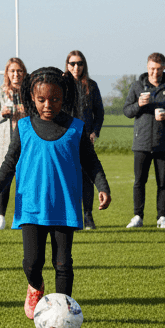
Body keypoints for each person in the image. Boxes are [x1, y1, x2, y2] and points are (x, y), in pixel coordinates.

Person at [0, 67, 111, 319]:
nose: (48, 105)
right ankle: (35, 286)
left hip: (64, 207)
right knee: (32, 263)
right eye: (41, 100)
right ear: (31, 98)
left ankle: (64, 314)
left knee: (63, 264)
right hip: (30, 206)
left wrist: (102, 187)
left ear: (65, 98)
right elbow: (9, 163)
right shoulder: (25, 127)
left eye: (55, 99)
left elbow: (91, 162)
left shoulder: (76, 128)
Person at [123, 53, 165, 229]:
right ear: (147, 67)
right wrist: (138, 104)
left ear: (164, 68)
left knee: (163, 182)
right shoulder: (137, 86)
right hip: (141, 143)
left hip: (163, 143)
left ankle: (162, 217)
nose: (155, 72)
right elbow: (127, 111)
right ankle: (138, 216)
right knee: (139, 182)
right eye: (152, 68)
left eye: (158, 69)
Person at [0, 58, 28, 231]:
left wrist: (24, 110)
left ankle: (21, 217)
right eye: (12, 71)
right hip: (4, 144)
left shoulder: (30, 92)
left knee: (24, 181)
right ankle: (0, 217)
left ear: (24, 73)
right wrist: (3, 113)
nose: (16, 74)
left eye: (19, 71)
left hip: (25, 143)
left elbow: (36, 113)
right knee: (3, 179)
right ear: (7, 74)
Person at [64, 50, 105, 229]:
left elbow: (99, 112)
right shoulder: (61, 84)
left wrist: (95, 131)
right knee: (67, 177)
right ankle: (71, 216)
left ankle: (88, 216)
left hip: (85, 138)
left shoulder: (91, 85)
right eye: (72, 63)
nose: (76, 67)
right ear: (67, 65)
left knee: (86, 178)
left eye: (79, 63)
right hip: (65, 138)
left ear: (84, 65)